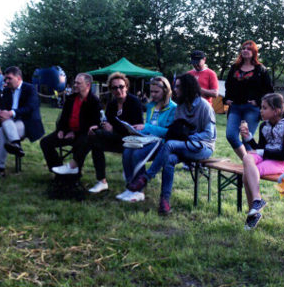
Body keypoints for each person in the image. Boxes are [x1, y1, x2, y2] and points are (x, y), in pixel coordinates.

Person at [126, 73, 216, 216]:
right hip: (184, 146)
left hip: (203, 147)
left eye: (179, 87)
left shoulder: (204, 106)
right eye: (175, 86)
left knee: (169, 145)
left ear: (188, 88)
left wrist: (188, 137)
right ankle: (164, 201)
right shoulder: (180, 106)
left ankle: (146, 177)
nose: (175, 90)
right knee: (168, 159)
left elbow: (209, 134)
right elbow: (177, 129)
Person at [81, 72, 145, 192]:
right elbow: (106, 121)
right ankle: (101, 181)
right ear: (110, 90)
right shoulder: (111, 104)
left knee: (96, 137)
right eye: (114, 87)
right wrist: (98, 126)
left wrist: (113, 129)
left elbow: (137, 127)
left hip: (131, 141)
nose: (118, 90)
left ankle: (76, 166)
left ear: (126, 86)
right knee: (94, 138)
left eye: (121, 86)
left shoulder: (134, 102)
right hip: (115, 139)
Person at [241, 93, 284, 230]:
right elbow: (260, 148)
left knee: (247, 174)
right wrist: (248, 137)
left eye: (264, 108)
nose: (261, 111)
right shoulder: (263, 125)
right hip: (265, 158)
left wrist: (260, 152)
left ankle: (253, 212)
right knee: (247, 157)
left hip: (280, 162)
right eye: (261, 107)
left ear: (276, 111)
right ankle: (257, 202)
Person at [117, 77, 176, 203]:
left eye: (156, 92)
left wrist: (146, 127)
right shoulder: (151, 106)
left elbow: (169, 132)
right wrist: (137, 130)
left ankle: (139, 191)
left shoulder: (173, 108)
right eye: (151, 91)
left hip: (162, 143)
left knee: (137, 154)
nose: (153, 95)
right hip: (148, 139)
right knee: (127, 151)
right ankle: (130, 186)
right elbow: (149, 128)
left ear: (165, 92)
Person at [39, 73, 101, 175]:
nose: (75, 85)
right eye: (75, 82)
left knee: (81, 144)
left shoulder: (94, 101)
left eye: (78, 83)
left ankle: (75, 173)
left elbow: (94, 123)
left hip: (83, 134)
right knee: (45, 142)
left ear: (88, 85)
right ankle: (58, 170)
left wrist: (74, 133)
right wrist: (61, 130)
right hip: (67, 131)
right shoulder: (71, 99)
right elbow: (63, 118)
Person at [0, 66, 45, 179]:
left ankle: (0, 168)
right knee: (3, 129)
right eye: (6, 78)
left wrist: (10, 113)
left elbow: (30, 108)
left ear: (18, 78)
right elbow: (2, 106)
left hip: (27, 123)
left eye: (9, 78)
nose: (6, 81)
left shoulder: (30, 89)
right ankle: (15, 144)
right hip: (11, 124)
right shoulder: (6, 90)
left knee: (4, 127)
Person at [224, 40, 273, 159]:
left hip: (252, 109)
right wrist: (226, 99)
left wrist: (259, 102)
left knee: (246, 140)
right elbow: (228, 85)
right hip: (235, 107)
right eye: (243, 48)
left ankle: (248, 169)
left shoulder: (260, 69)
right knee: (231, 135)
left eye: (248, 49)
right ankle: (248, 163)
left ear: (254, 52)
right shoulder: (234, 68)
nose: (245, 50)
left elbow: (269, 90)